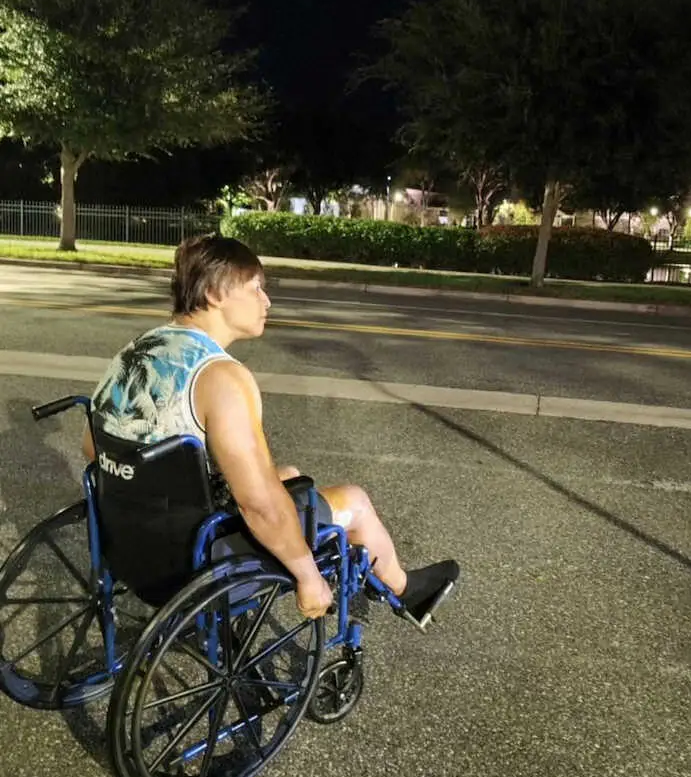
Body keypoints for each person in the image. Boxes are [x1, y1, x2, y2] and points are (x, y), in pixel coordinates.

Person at [83, 233, 459, 622]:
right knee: (355, 502)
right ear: (214, 293)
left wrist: (187, 483)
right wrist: (307, 576)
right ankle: (406, 591)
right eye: (256, 288)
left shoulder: (135, 351)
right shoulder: (221, 377)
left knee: (291, 477)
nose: (267, 301)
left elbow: (93, 449)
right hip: (190, 565)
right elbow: (259, 505)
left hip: (126, 547)